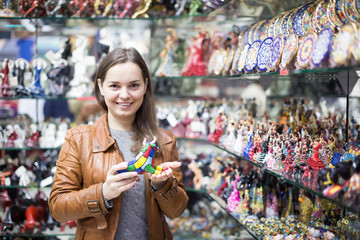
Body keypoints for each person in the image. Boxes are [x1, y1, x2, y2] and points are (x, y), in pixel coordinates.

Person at [49, 47, 189, 240]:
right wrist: (103, 193)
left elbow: (177, 211)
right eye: (115, 86)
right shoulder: (78, 139)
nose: (124, 95)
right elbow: (57, 208)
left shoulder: (164, 141)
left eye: (133, 85)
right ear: (101, 86)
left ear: (145, 85)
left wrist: (163, 185)